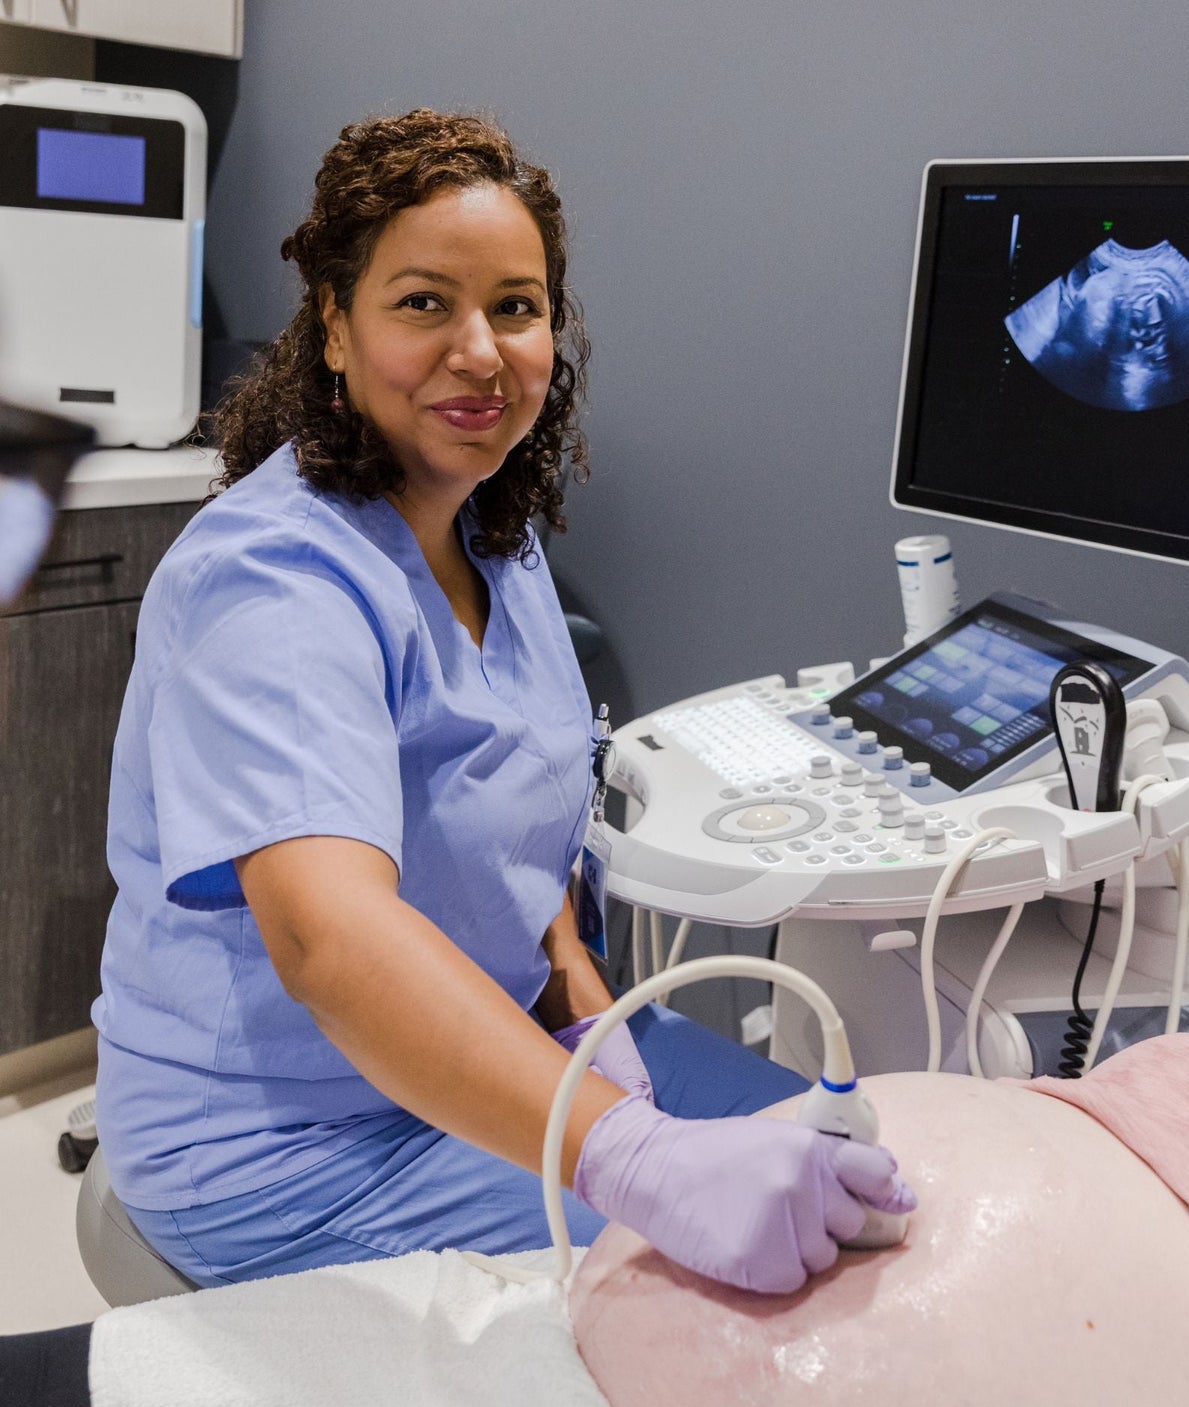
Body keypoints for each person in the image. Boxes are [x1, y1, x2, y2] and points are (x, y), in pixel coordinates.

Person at [88, 109, 913, 1294]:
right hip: (296, 1152)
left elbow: (516, 828)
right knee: (809, 1291)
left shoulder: (490, 535)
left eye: (515, 308)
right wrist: (633, 1156)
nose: (480, 350)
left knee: (872, 1170)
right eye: (424, 302)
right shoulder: (272, 581)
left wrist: (584, 1009)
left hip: (514, 1048)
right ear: (334, 324)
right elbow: (331, 938)